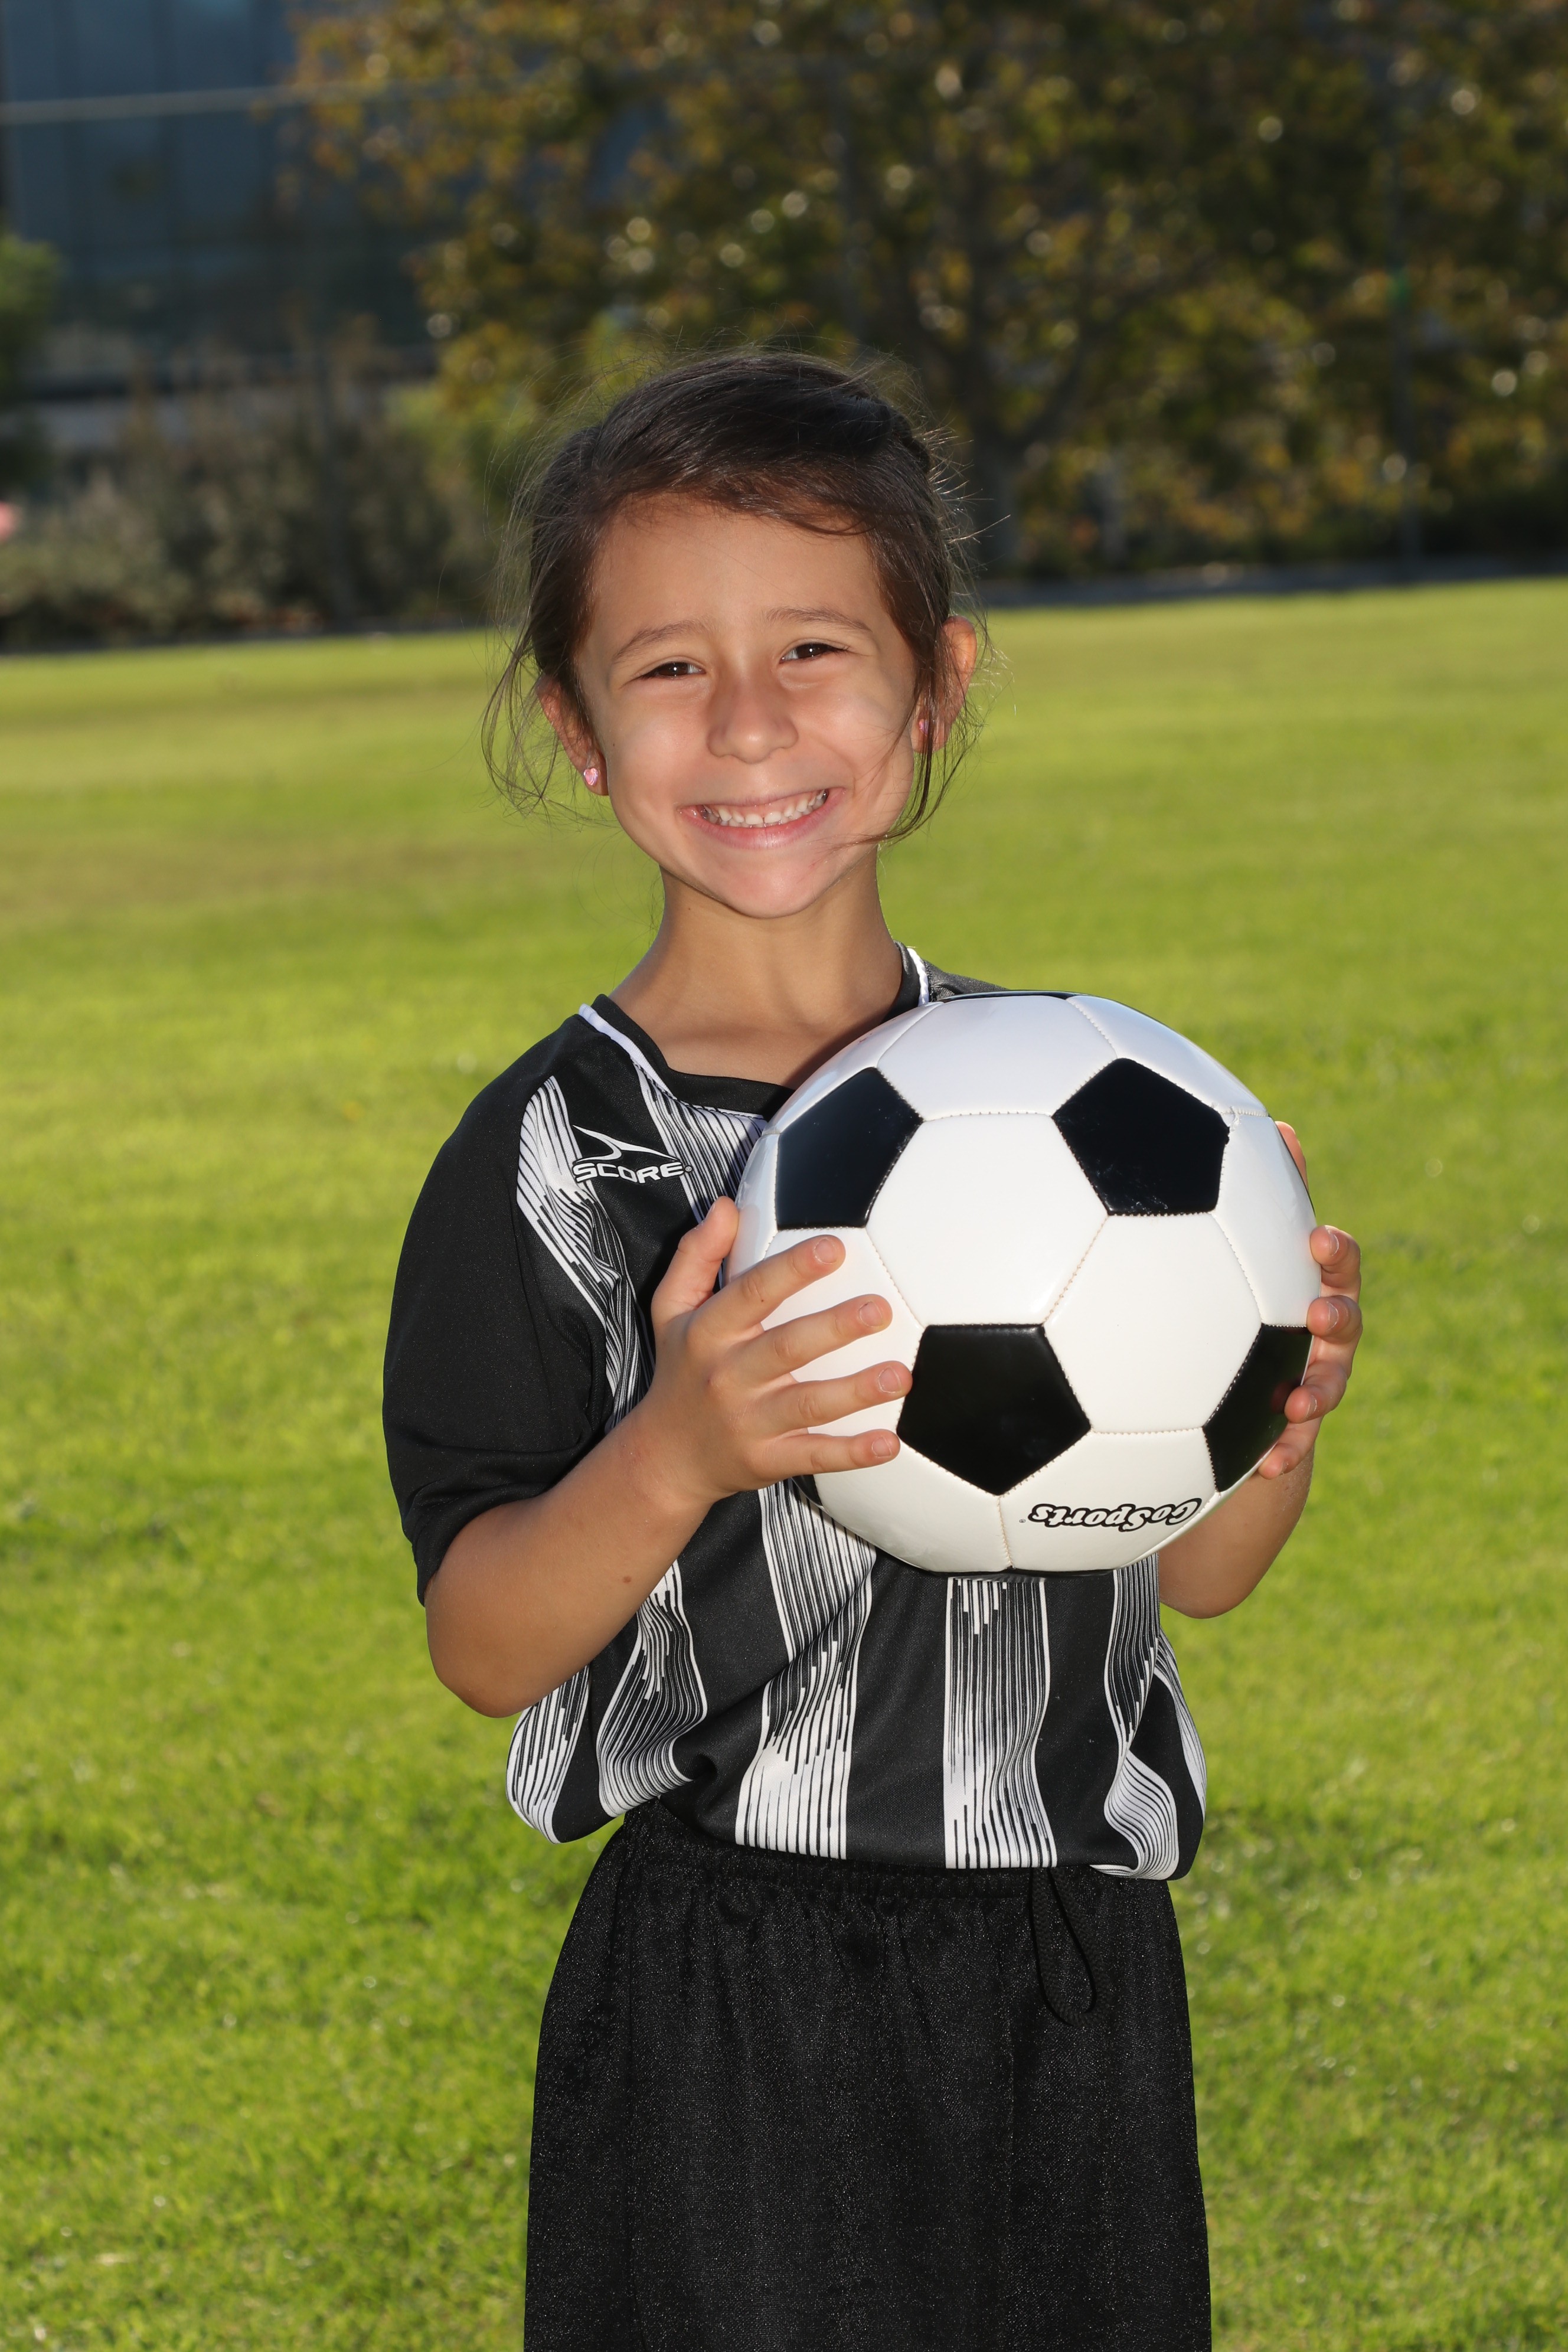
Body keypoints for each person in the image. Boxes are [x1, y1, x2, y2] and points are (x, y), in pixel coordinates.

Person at [382, 351, 1363, 2352]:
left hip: (1078, 1969)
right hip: (734, 1991)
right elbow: (486, 1640)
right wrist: (677, 1445)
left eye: (815, 650)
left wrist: (1268, 1416)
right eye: (670, 668)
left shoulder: (1104, 1110)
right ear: (576, 728)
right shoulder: (560, 1155)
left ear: (935, 690)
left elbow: (1196, 1573)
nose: (750, 721)